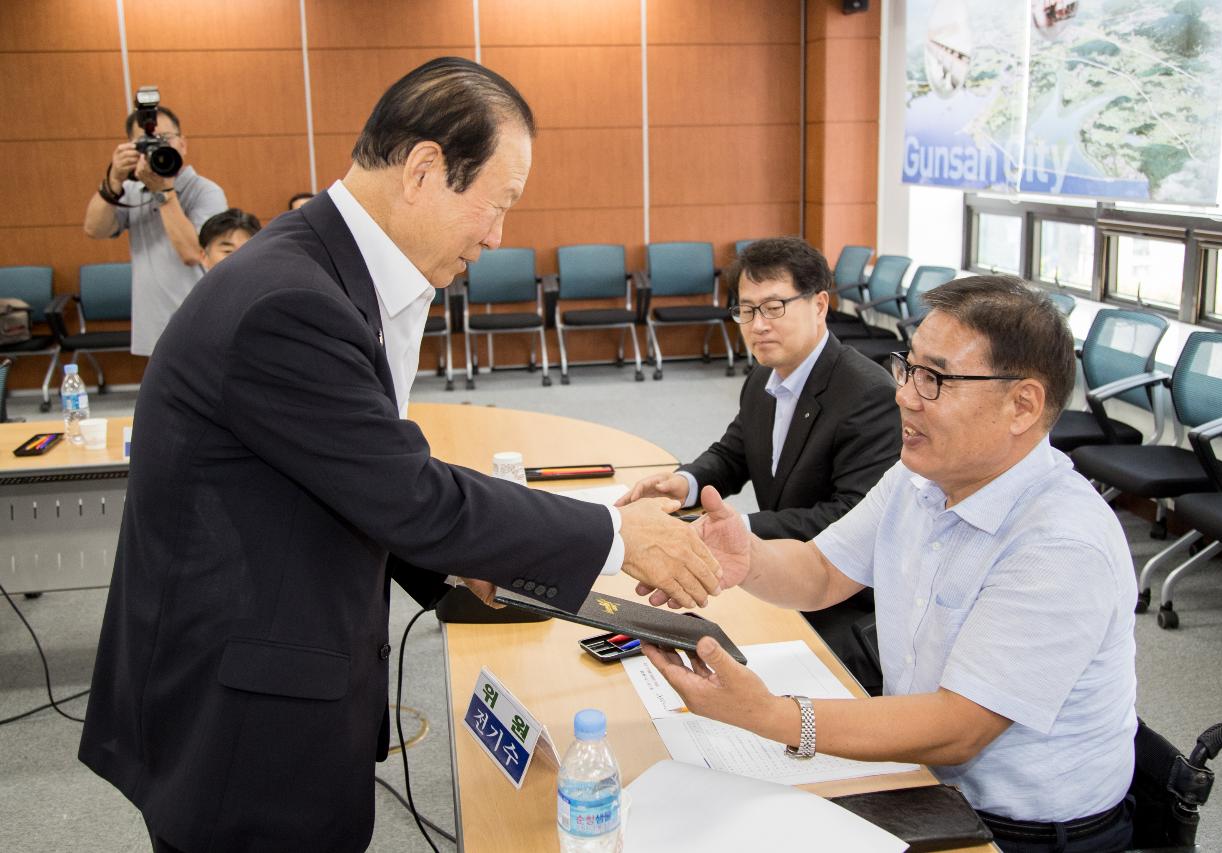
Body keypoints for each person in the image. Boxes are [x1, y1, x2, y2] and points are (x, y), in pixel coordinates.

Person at [79, 57, 721, 853]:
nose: (497, 236)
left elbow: (353, 476)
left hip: (259, 669)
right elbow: (409, 492)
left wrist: (459, 564)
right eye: (499, 203)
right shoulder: (292, 302)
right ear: (424, 170)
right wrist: (621, 537)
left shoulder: (322, 269)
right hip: (237, 724)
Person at [643, 276, 1138, 852]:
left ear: (1021, 405)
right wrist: (747, 559)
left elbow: (959, 729)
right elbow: (823, 572)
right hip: (920, 777)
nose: (903, 394)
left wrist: (771, 717)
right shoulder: (920, 477)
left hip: (1017, 832)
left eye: (935, 379)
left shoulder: (1060, 543)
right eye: (908, 368)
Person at [617, 236, 899, 686]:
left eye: (773, 307)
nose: (757, 325)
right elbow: (735, 452)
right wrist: (686, 482)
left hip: (839, 602)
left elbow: (851, 517)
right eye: (747, 310)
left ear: (820, 304)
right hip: (771, 573)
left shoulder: (868, 393)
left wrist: (739, 532)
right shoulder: (764, 375)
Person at [83, 102, 228, 356]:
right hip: (153, 325)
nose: (157, 147)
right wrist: (113, 180)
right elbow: (95, 229)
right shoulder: (130, 190)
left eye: (164, 138)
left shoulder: (205, 191)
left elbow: (194, 254)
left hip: (199, 322)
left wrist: (162, 192)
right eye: (145, 142)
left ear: (183, 144)